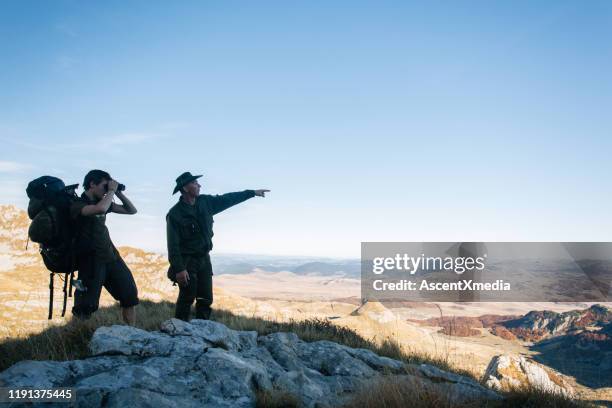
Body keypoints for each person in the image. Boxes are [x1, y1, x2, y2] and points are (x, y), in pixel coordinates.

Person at [166, 171, 269, 321]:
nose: (199, 185)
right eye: (195, 183)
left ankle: (201, 331)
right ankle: (177, 332)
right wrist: (179, 269)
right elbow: (172, 245)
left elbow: (228, 199)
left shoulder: (206, 202)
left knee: (205, 299)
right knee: (187, 297)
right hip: (187, 261)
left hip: (204, 259)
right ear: (185, 188)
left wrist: (252, 193)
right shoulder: (175, 214)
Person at [70, 169, 139, 325]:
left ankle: (132, 335)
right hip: (90, 261)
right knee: (84, 306)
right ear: (92, 184)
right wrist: (112, 191)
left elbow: (131, 210)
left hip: (111, 257)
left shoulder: (104, 202)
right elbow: (99, 209)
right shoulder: (77, 204)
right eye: (104, 186)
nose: (106, 190)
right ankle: (72, 339)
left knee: (129, 296)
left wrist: (118, 192)